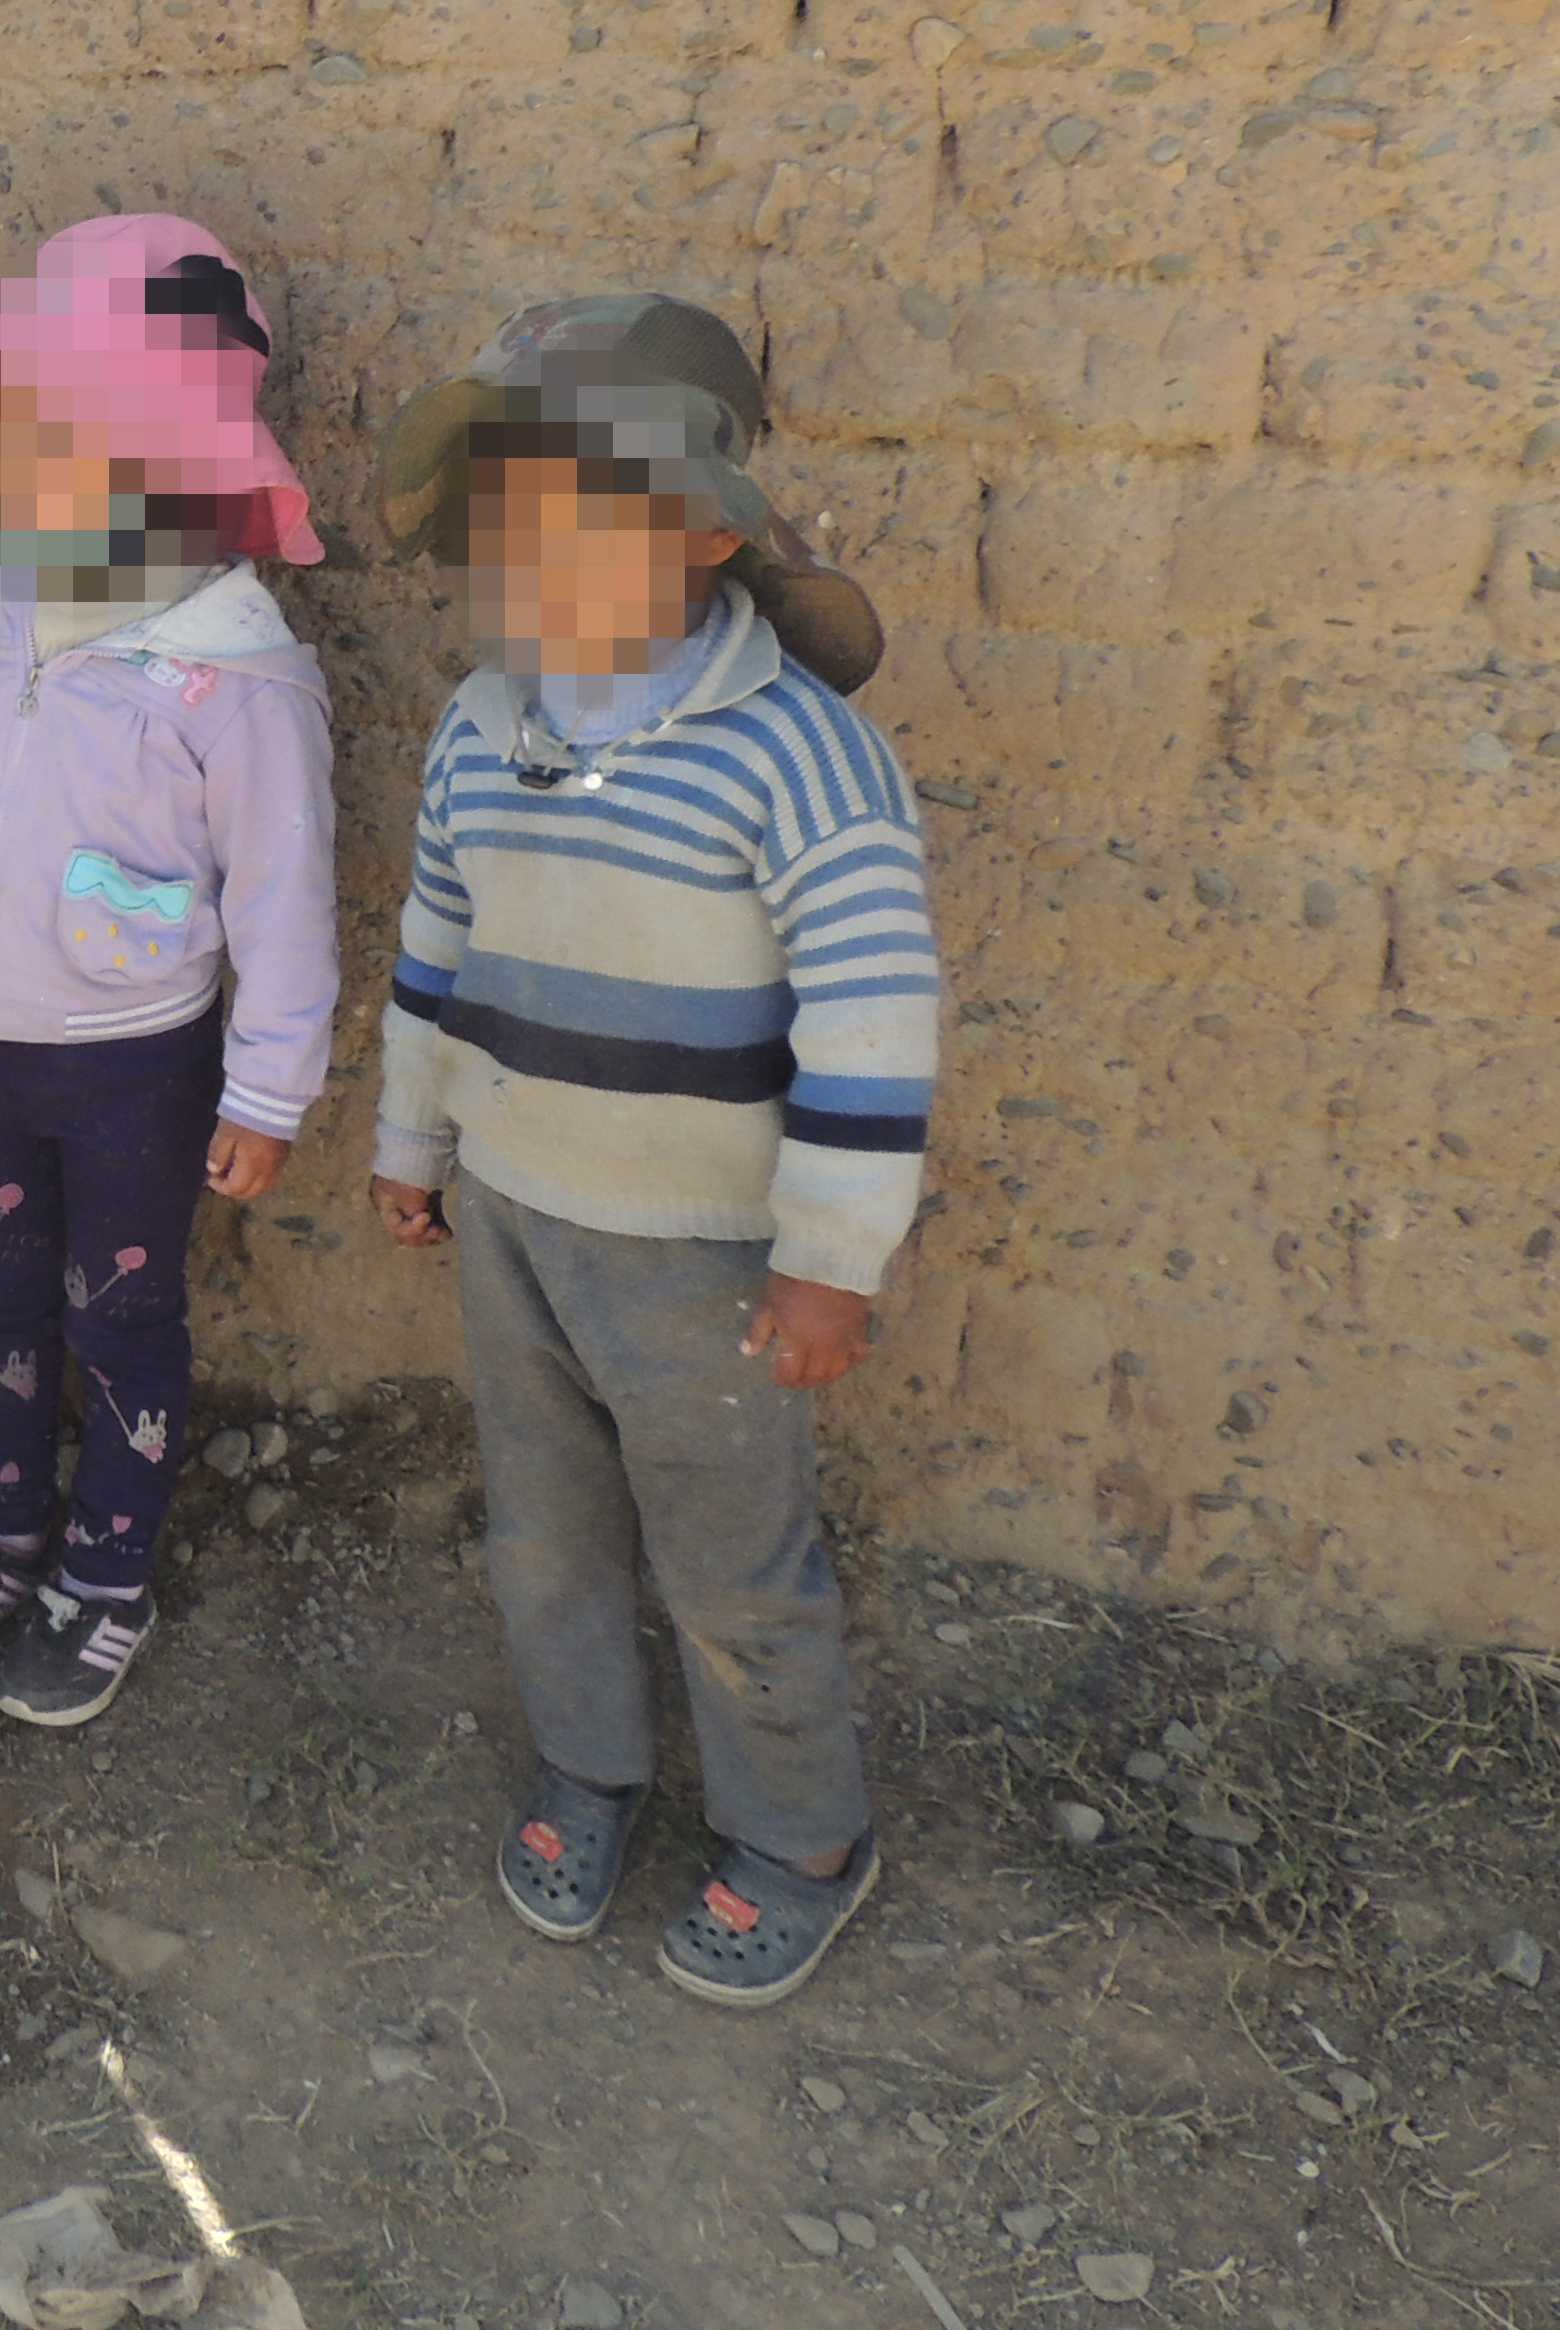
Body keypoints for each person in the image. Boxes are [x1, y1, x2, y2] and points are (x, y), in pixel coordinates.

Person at [366, 295, 934, 2010]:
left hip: (704, 1260)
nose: (528, 553)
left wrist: (832, 1259)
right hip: (520, 1226)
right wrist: (414, 1134)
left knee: (730, 1556)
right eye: (509, 515)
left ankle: (798, 1836)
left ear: (702, 531)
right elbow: (434, 947)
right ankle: (591, 1769)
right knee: (544, 1529)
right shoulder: (489, 725)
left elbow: (873, 1020)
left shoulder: (803, 760)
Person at [0, 215, 338, 1729]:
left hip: (136, 1061)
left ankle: (107, 1574)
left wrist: (267, 1090)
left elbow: (282, 894)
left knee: (118, 1313)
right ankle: (4, 1537)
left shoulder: (237, 671)